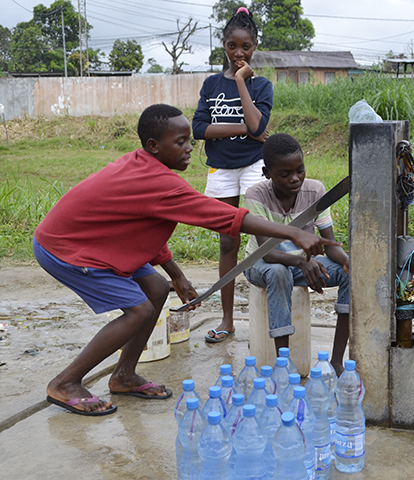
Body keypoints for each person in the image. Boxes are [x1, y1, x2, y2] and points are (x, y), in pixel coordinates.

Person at [33, 104, 338, 416]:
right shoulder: (158, 183)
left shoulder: (145, 169)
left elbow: (142, 227)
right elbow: (224, 216)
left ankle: (123, 375)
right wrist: (293, 234)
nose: (190, 148)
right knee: (138, 311)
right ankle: (67, 382)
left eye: (190, 140)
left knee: (155, 288)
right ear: (153, 146)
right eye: (180, 142)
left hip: (92, 239)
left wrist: (175, 274)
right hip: (66, 248)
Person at [192, 7, 272, 344]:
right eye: (232, 46)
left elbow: (259, 127)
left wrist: (241, 81)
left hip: (254, 164)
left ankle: (269, 318)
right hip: (221, 168)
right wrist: (244, 129)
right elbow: (198, 129)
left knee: (262, 241)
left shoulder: (262, 85)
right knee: (228, 240)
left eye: (246, 47)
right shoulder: (210, 84)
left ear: (255, 46)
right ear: (223, 46)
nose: (239, 54)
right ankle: (227, 320)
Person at [242, 133, 350, 375]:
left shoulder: (315, 191)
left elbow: (329, 243)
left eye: (299, 170)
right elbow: (267, 252)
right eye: (285, 174)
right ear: (267, 173)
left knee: (348, 274)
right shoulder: (255, 195)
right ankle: (284, 365)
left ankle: (336, 361)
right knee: (279, 273)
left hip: (301, 265)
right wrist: (301, 262)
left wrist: (345, 261)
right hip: (262, 264)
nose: (295, 178)